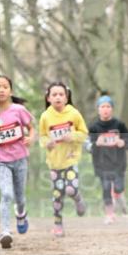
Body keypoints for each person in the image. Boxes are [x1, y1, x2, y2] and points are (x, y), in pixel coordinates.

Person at [39, 81, 88, 237]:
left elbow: (84, 133)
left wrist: (72, 136)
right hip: (54, 163)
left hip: (71, 159)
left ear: (66, 98)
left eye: (61, 94)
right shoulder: (45, 116)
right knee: (58, 194)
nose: (58, 97)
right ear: (48, 98)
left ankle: (78, 197)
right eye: (54, 95)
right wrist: (48, 143)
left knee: (70, 189)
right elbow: (42, 136)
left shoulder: (73, 113)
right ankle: (58, 224)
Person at [0, 74, 35, 248]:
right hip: (0, 161)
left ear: (10, 90)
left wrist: (31, 138)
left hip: (20, 159)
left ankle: (21, 213)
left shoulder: (18, 110)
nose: (1, 90)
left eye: (4, 87)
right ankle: (5, 231)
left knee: (20, 198)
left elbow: (31, 128)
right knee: (6, 194)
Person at [88, 96, 128, 224]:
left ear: (112, 109)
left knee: (118, 187)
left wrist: (122, 142)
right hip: (102, 163)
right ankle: (109, 214)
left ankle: (118, 194)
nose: (105, 109)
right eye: (102, 107)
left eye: (108, 106)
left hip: (118, 162)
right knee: (106, 188)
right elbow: (88, 146)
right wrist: (97, 143)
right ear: (98, 109)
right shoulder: (94, 127)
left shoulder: (119, 125)